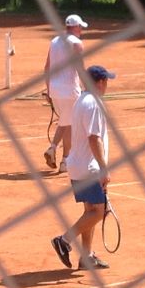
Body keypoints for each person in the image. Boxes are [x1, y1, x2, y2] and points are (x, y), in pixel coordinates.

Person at [51, 65, 116, 270]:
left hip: (76, 166)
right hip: (89, 168)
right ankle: (64, 240)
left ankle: (86, 256)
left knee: (90, 211)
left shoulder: (81, 100)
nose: (107, 85)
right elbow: (94, 138)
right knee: (99, 212)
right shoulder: (94, 104)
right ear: (100, 82)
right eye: (106, 81)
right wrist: (104, 169)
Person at [43, 14, 88, 174]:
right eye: (80, 27)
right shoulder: (76, 43)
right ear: (75, 27)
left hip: (55, 90)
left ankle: (60, 156)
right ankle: (60, 156)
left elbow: (47, 68)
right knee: (69, 124)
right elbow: (80, 69)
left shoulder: (54, 41)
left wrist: (49, 90)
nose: (81, 30)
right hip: (70, 90)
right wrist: (88, 89)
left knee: (65, 122)